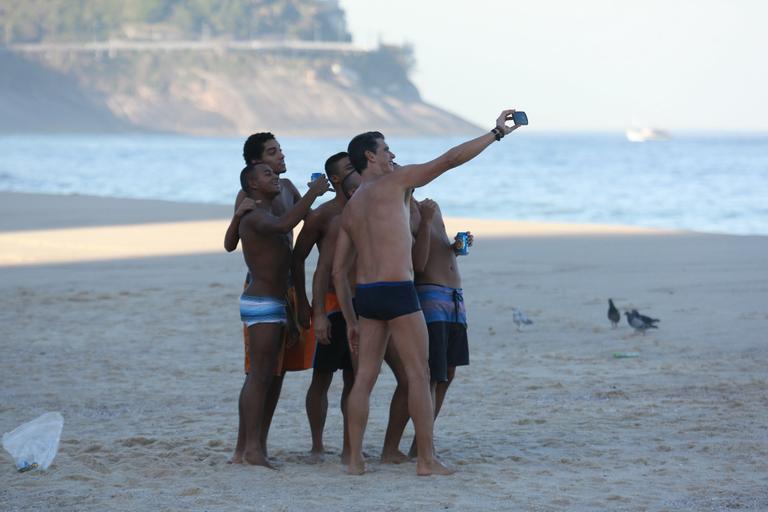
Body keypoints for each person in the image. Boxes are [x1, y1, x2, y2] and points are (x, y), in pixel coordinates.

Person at [333, 110, 523, 475]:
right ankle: (426, 460)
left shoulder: (353, 206)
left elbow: (340, 270)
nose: (392, 155)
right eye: (386, 150)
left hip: (367, 295)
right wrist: (496, 133)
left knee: (365, 378)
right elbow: (450, 160)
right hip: (399, 291)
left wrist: (351, 319)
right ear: (370, 157)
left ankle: (355, 461)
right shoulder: (397, 183)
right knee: (420, 375)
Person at [225, 133, 313, 464]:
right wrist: (237, 216)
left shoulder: (286, 188)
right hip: (262, 291)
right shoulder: (248, 196)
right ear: (255, 165)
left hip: (286, 290)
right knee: (259, 374)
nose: (280, 157)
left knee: (276, 374)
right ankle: (244, 448)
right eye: (272, 153)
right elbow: (233, 242)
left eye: (280, 151)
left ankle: (258, 445)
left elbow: (308, 220)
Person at [236, 163, 330, 467]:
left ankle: (255, 448)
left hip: (277, 302)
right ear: (252, 183)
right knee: (259, 376)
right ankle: (250, 449)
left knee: (269, 375)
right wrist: (313, 193)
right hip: (261, 303)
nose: (275, 177)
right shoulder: (254, 216)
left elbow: (297, 224)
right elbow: (284, 224)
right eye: (267, 174)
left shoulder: (267, 209)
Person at [291, 152, 360, 462]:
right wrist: (308, 305)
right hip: (331, 304)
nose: (355, 171)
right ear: (335, 179)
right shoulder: (324, 215)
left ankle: (349, 445)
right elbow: (300, 257)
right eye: (348, 168)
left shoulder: (370, 207)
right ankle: (317, 445)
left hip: (362, 303)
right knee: (322, 376)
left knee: (355, 377)